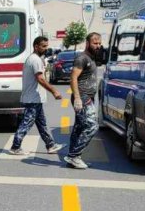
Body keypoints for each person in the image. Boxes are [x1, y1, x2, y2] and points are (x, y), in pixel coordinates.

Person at [8, 36, 64, 156]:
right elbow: (40, 79)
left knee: (42, 124)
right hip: (32, 99)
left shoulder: (34, 59)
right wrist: (54, 91)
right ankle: (15, 147)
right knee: (26, 123)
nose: (45, 49)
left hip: (35, 98)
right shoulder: (35, 60)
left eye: (46, 46)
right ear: (36, 46)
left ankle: (51, 145)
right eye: (43, 46)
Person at [65, 32, 104, 169]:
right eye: (95, 43)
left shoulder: (92, 58)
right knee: (92, 126)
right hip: (82, 97)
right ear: (87, 43)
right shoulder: (82, 58)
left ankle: (72, 157)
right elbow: (73, 78)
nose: (98, 45)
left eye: (99, 43)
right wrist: (77, 98)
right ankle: (74, 155)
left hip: (88, 97)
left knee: (79, 127)